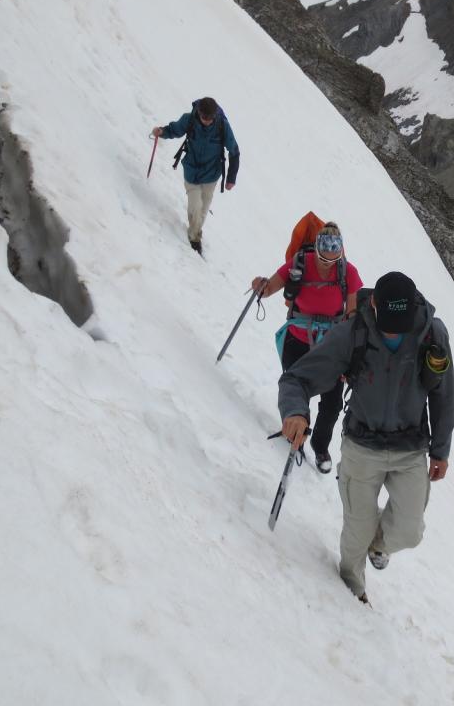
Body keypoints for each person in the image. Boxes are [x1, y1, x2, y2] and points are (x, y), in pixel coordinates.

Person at [277, 271, 454, 604]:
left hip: (410, 447)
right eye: (387, 321)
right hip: (362, 446)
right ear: (373, 304)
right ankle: (352, 595)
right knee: (356, 533)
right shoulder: (353, 333)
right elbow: (296, 379)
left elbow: (443, 394)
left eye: (399, 324)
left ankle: (378, 545)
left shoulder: (431, 333)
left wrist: (441, 450)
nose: (392, 330)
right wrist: (295, 412)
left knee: (409, 531)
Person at [251, 223, 363, 473]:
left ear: (340, 254)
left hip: (331, 345)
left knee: (332, 402)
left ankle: (320, 444)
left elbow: (353, 314)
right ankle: (297, 433)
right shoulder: (300, 262)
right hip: (298, 338)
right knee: (296, 389)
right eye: (322, 258)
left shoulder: (348, 272)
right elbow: (271, 286)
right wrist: (261, 285)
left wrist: (351, 353)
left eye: (331, 259)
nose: (326, 264)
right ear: (316, 250)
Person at [152, 97, 239, 253]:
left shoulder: (222, 126)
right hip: (192, 170)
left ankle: (195, 230)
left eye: (209, 118)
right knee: (195, 206)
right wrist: (162, 131)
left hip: (212, 174)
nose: (206, 121)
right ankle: (194, 238)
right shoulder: (189, 119)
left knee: (203, 209)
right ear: (198, 112)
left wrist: (231, 178)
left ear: (214, 116)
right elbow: (175, 130)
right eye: (204, 117)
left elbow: (234, 151)